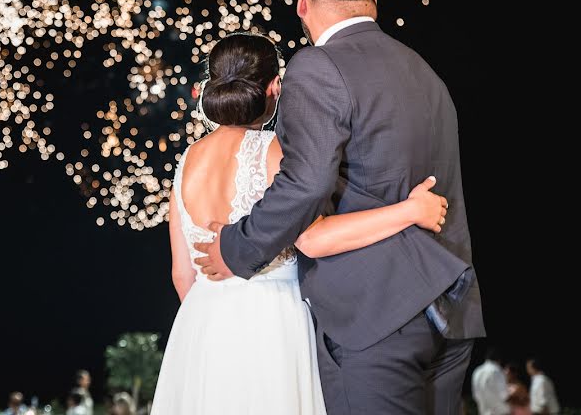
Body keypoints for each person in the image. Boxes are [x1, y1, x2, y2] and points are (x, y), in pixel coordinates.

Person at [193, 0, 485, 414]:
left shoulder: (318, 65)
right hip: (450, 310)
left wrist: (236, 247)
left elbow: (305, 184)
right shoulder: (426, 73)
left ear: (302, 2)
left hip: (375, 318)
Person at [150, 33, 451, 414]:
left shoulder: (185, 163)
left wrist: (212, 319)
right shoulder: (271, 149)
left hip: (202, 323)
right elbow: (313, 238)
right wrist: (409, 211)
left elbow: (182, 273)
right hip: (270, 319)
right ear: (275, 86)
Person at [471, 347, 511, 415]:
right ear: (499, 359)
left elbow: (475, 394)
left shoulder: (477, 371)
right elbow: (504, 394)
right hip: (499, 411)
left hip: (484, 411)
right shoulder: (496, 370)